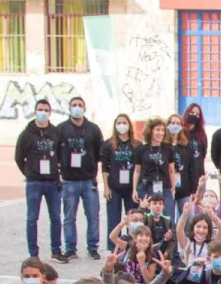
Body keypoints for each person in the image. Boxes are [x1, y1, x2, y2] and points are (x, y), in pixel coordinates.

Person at [15, 100, 66, 261]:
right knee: (32, 218)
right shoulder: (27, 133)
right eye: (40, 109)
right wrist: (29, 172)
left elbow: (60, 154)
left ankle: (56, 251)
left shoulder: (55, 132)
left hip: (52, 182)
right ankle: (33, 253)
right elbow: (18, 157)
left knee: (56, 217)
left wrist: (56, 174)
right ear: (35, 111)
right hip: (34, 183)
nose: (42, 112)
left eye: (45, 110)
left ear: (50, 112)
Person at [57, 97, 103, 262]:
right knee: (69, 217)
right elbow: (55, 153)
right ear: (69, 108)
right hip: (69, 181)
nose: (77, 108)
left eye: (80, 105)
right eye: (74, 105)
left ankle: (93, 247)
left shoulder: (93, 129)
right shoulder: (61, 129)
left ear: (85, 108)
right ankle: (71, 248)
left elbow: (100, 152)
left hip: (89, 180)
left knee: (93, 216)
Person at [100, 113, 139, 233]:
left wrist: (136, 189)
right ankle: (114, 248)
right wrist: (106, 187)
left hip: (131, 188)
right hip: (114, 187)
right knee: (113, 219)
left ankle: (132, 246)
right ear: (115, 125)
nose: (122, 125)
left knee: (133, 219)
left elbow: (139, 168)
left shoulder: (137, 145)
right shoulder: (108, 144)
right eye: (119, 123)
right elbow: (104, 167)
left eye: (124, 123)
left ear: (129, 125)